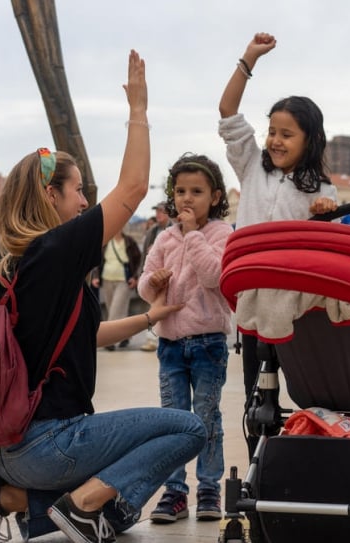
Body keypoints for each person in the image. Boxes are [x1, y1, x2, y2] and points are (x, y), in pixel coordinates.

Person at [0, 50, 208, 543]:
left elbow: (86, 337)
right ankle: (71, 502)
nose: (86, 203)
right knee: (189, 429)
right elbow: (131, 189)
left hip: (12, 448)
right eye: (77, 192)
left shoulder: (18, 263)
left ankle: (8, 497)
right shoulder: (54, 250)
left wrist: (150, 317)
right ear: (50, 196)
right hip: (48, 442)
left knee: (124, 512)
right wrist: (138, 110)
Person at [218, 32, 338, 459]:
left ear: (310, 139)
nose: (275, 140)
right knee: (256, 388)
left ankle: (308, 452)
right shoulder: (252, 166)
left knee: (305, 383)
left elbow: (329, 244)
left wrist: (326, 211)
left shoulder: (321, 188)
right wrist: (248, 59)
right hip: (253, 298)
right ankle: (259, 458)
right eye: (272, 131)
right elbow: (228, 111)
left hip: (296, 304)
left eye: (287, 134)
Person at [139, 154, 233, 524]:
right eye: (180, 191)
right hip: (171, 344)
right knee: (173, 420)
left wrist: (193, 233)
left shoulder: (221, 234)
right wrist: (154, 282)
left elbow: (214, 277)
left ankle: (209, 487)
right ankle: (175, 491)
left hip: (209, 342)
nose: (187, 199)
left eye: (197, 191)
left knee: (206, 417)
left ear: (215, 196)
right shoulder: (164, 238)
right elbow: (145, 286)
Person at [92, 230, 142, 350]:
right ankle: (124, 336)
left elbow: (138, 259)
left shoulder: (129, 241)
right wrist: (95, 276)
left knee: (116, 309)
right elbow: (97, 260)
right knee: (114, 309)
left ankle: (108, 340)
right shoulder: (106, 242)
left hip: (123, 281)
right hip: (107, 279)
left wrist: (135, 277)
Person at [140, 202, 172, 352]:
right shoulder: (153, 231)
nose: (158, 214)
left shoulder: (175, 228)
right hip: (154, 277)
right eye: (157, 211)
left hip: (170, 276)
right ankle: (152, 339)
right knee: (153, 308)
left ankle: (159, 339)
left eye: (161, 211)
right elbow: (143, 257)